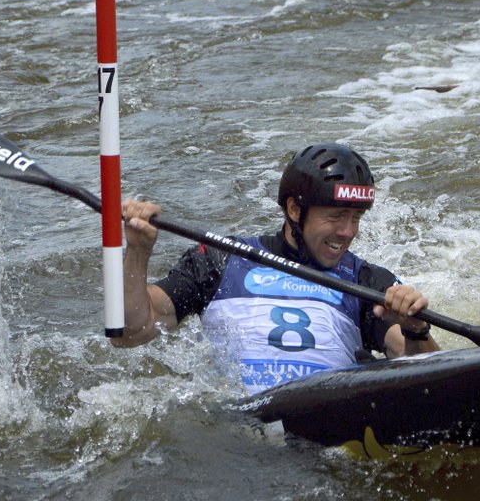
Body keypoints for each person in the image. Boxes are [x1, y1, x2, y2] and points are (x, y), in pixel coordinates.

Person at [112, 143, 439, 394]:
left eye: (355, 218)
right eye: (335, 216)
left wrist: (415, 329)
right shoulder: (219, 259)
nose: (348, 232)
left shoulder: (368, 282)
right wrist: (138, 252)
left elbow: (421, 371)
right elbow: (129, 334)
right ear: (295, 209)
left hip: (327, 413)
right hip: (237, 423)